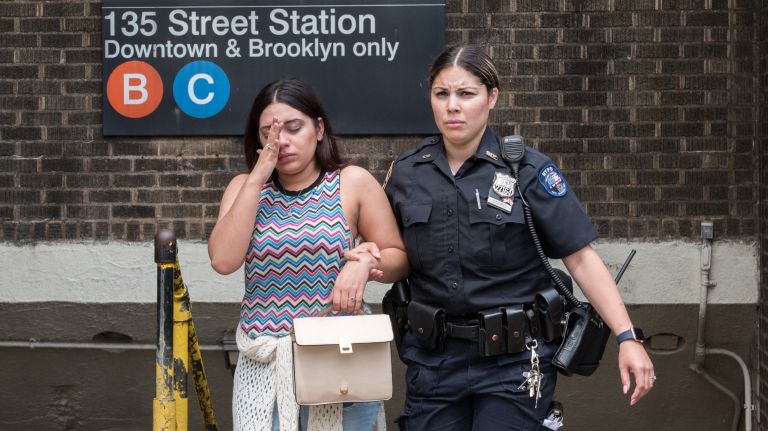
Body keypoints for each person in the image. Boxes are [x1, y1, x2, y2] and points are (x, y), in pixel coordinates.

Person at [376, 45, 655, 430]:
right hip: (434, 360)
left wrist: (627, 337)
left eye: (466, 94)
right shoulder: (406, 173)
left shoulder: (528, 170)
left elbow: (581, 258)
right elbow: (389, 251)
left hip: (514, 362)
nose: (452, 106)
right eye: (442, 94)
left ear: (492, 97)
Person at [208, 78, 408, 431]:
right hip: (265, 364)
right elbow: (223, 261)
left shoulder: (351, 182)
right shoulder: (245, 188)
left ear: (318, 128)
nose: (280, 141)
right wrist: (256, 179)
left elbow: (398, 257)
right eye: (267, 132)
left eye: (293, 128)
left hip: (340, 360)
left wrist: (366, 262)